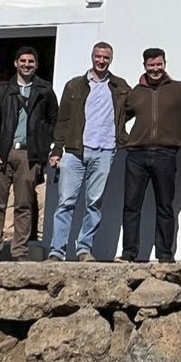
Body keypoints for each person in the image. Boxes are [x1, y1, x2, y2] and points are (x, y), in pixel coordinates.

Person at [47, 42, 128, 262]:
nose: (101, 61)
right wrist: (56, 149)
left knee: (94, 203)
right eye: (98, 56)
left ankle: (84, 249)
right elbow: (62, 120)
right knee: (66, 202)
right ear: (92, 57)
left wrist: (122, 137)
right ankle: (57, 251)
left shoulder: (120, 87)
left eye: (106, 58)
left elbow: (129, 112)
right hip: (75, 151)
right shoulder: (74, 86)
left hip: (104, 151)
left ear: (111, 59)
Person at [0, 46, 58, 262]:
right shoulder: (2, 89)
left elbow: (54, 121)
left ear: (36, 65)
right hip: (1, 153)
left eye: (31, 61)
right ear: (16, 63)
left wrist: (43, 147)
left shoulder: (44, 90)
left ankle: (20, 252)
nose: (26, 65)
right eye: (22, 61)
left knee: (24, 205)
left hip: (28, 155)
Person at [117, 48, 181, 263]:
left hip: (165, 154)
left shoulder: (180, 90)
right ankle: (129, 252)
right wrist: (123, 138)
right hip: (136, 155)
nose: (155, 69)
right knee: (131, 206)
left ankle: (164, 254)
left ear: (165, 64)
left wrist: (179, 129)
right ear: (144, 66)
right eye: (151, 65)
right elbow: (120, 116)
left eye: (158, 64)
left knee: (165, 206)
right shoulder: (135, 92)